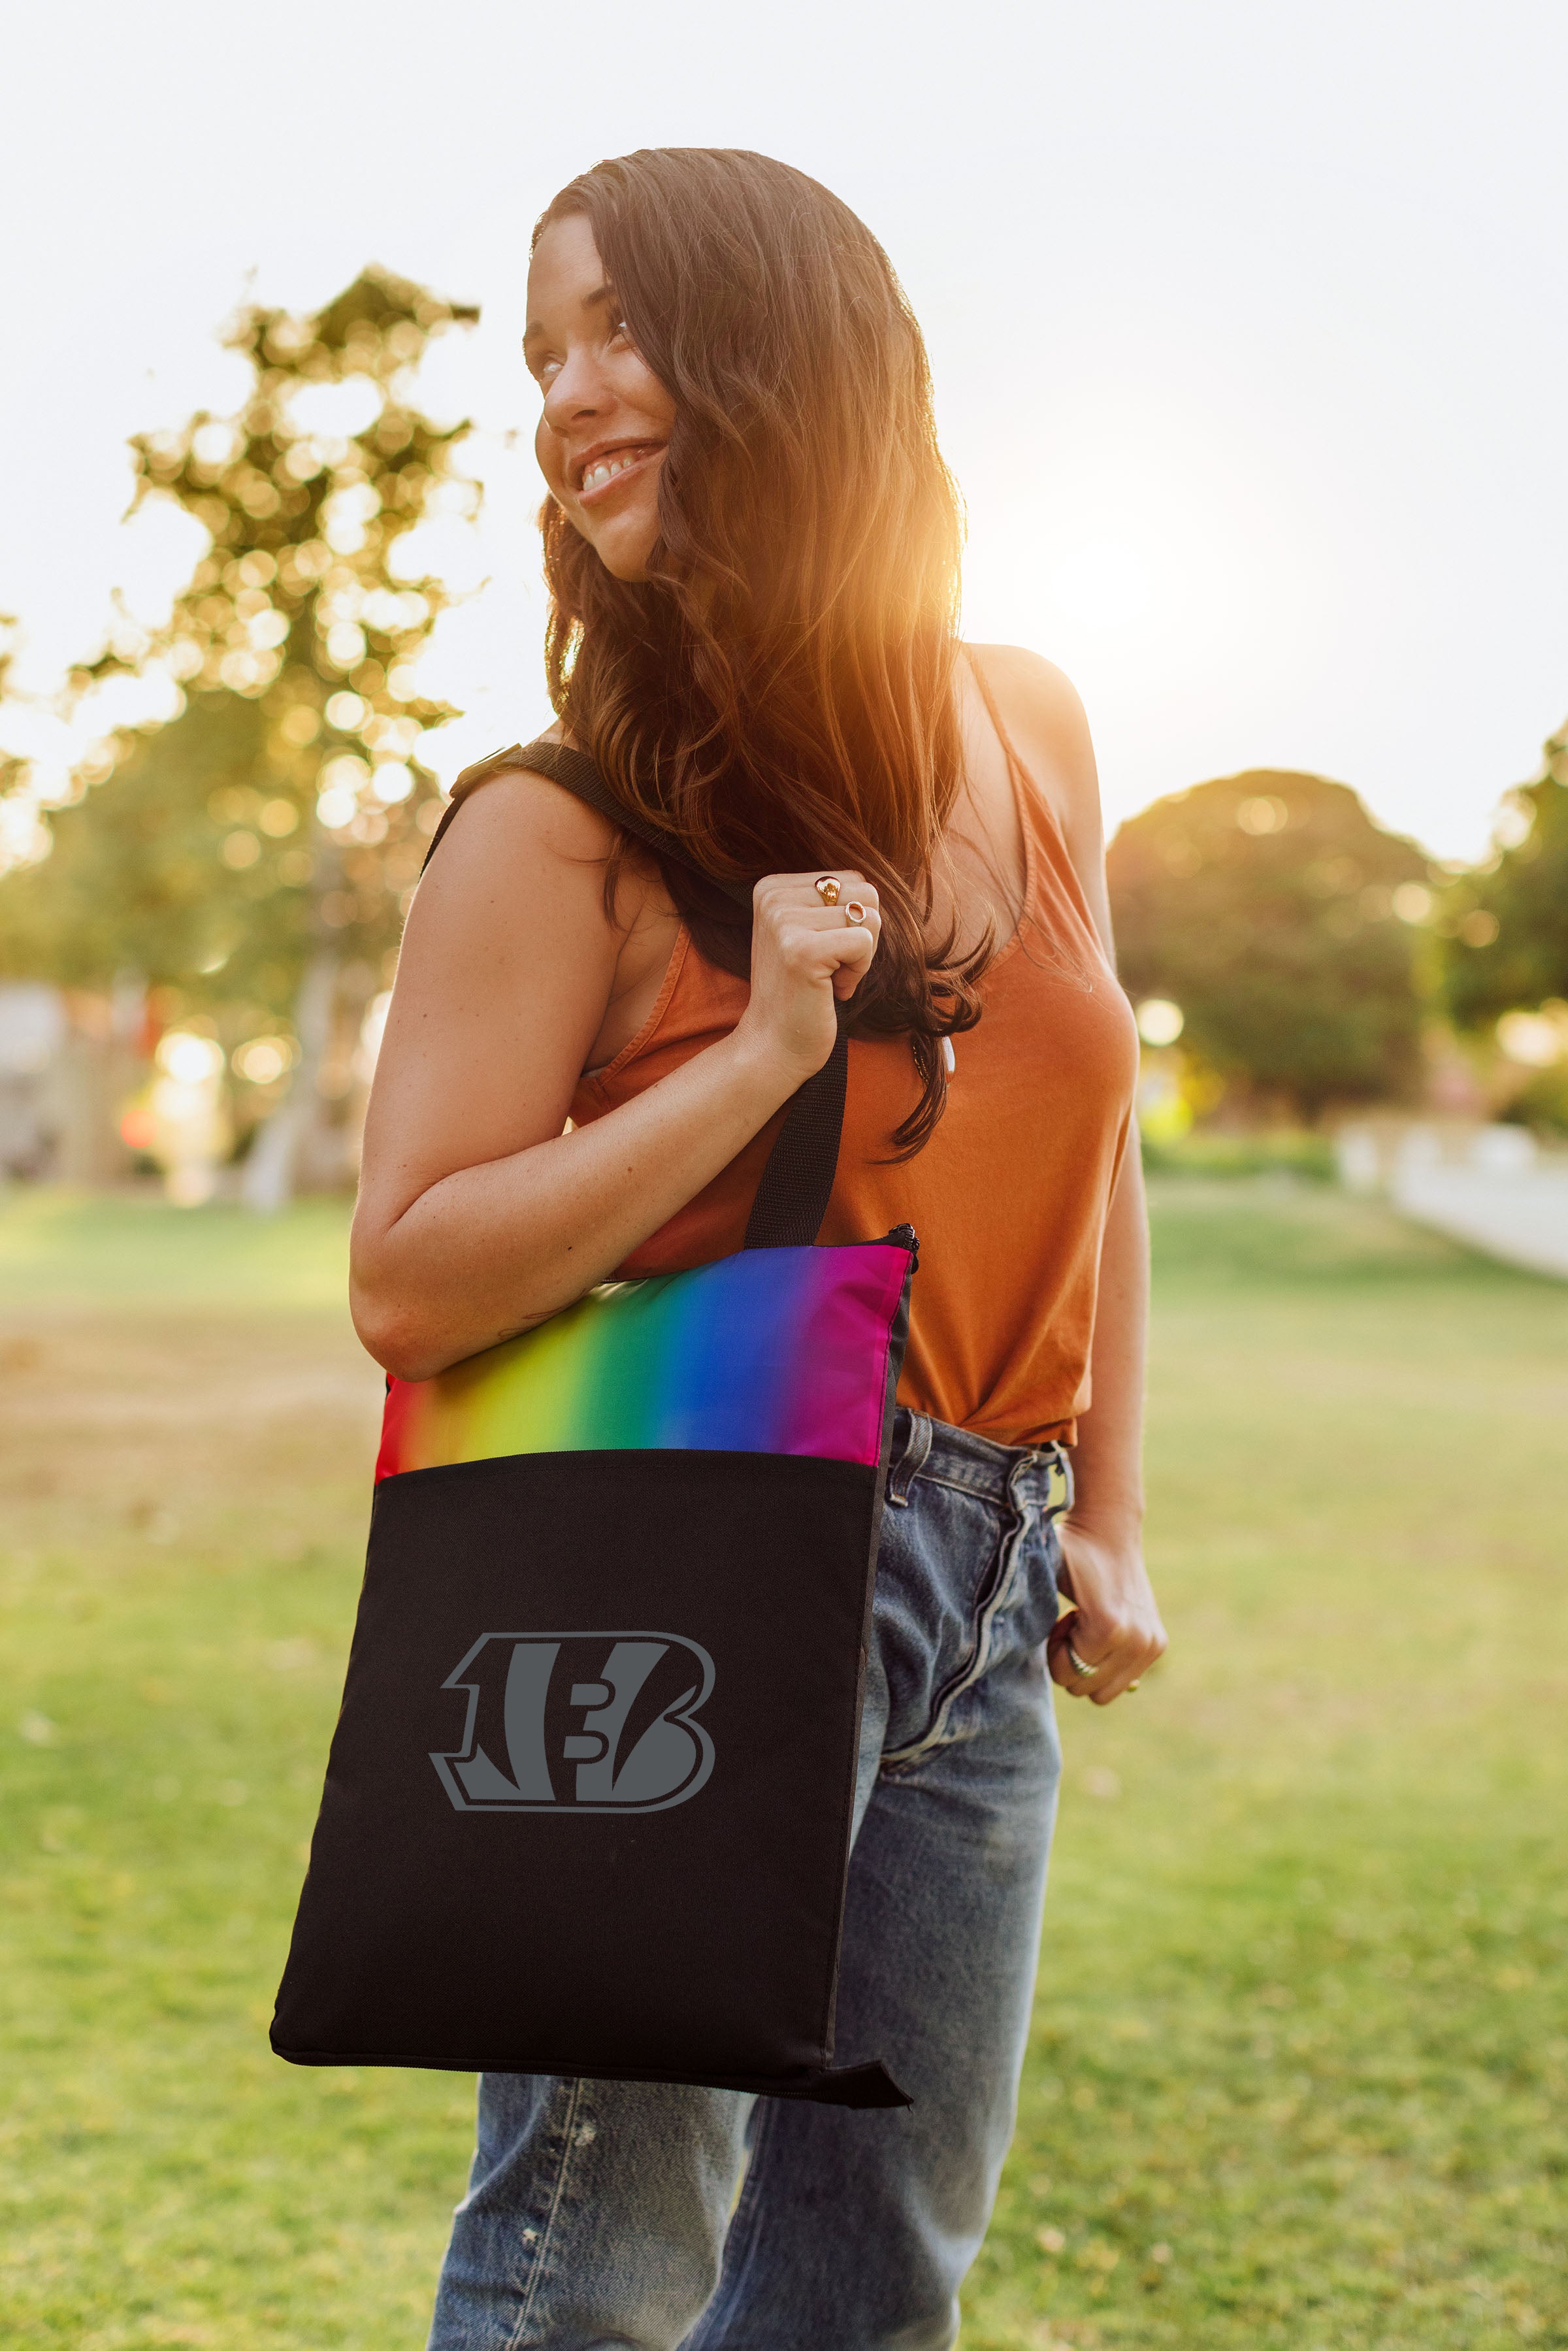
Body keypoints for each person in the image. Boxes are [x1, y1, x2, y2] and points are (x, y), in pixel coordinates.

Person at [351, 146, 1167, 2351]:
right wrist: (756, 1056)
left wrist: (1103, 1512)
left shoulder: (1032, 723)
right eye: (542, 353)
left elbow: (1093, 1152)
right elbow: (407, 1278)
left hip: (981, 1585)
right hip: (695, 1556)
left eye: (616, 330)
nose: (567, 393)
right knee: (594, 2260)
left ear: (785, 357)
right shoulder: (560, 823)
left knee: (871, 2276)